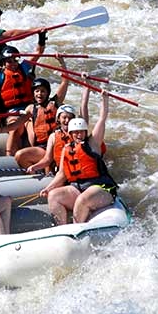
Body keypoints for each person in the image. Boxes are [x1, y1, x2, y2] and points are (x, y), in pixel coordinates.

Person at [39, 91, 118, 225]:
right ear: (70, 133)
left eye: (81, 132)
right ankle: (62, 229)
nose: (78, 135)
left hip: (100, 188)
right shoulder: (67, 149)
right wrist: (49, 188)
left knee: (82, 200)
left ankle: (77, 230)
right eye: (75, 132)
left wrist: (104, 99)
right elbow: (62, 174)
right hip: (77, 188)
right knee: (54, 195)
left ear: (85, 132)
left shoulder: (93, 143)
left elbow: (102, 119)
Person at [0, 43, 43, 156]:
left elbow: (38, 52)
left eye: (15, 60)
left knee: (32, 131)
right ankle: (9, 156)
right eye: (9, 61)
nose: (13, 64)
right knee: (15, 128)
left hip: (28, 109)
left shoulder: (24, 67)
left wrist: (42, 37)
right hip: (12, 112)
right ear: (4, 63)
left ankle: (35, 154)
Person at [14, 57, 69, 169]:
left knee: (49, 165)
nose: (40, 94)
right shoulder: (31, 108)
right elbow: (15, 125)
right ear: (33, 93)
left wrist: (62, 62)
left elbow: (65, 81)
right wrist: (0, 130)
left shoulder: (55, 102)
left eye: (43, 91)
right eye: (37, 91)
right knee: (20, 155)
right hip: (42, 148)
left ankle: (49, 170)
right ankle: (37, 174)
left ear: (48, 93)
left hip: (57, 145)